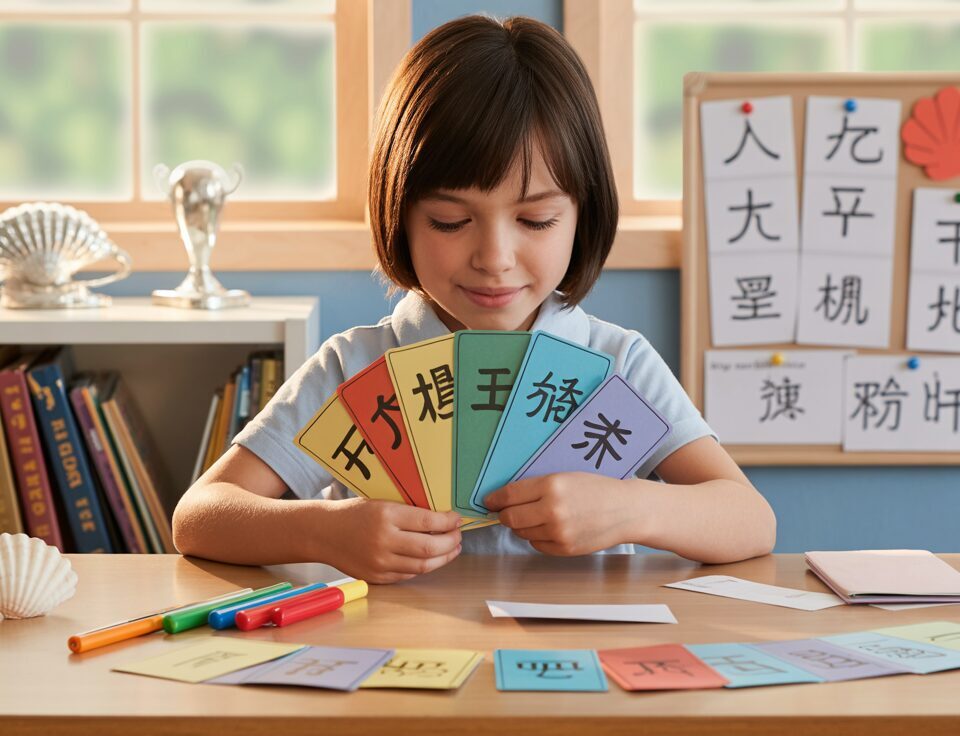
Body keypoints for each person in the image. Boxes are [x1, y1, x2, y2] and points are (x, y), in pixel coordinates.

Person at [172, 14, 776, 583]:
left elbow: (751, 520)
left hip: (572, 676)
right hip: (395, 670)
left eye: (536, 220)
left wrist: (634, 509)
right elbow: (201, 515)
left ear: (581, 215)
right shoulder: (354, 368)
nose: (494, 258)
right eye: (449, 221)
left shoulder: (617, 364)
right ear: (400, 216)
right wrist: (323, 531)